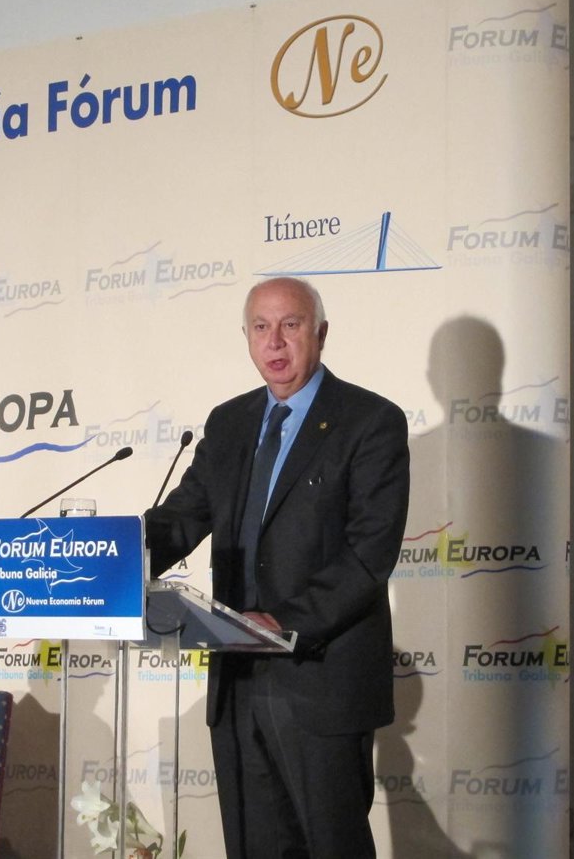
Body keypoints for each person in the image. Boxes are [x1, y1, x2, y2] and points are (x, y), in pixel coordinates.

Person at [144, 276, 410, 858]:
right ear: (246, 337)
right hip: (237, 682)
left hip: (319, 679)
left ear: (321, 333)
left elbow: (369, 552)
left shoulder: (370, 420)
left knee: (332, 847)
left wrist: (285, 623)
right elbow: (184, 516)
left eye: (291, 325)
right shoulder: (229, 422)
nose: (275, 342)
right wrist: (114, 554)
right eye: (261, 327)